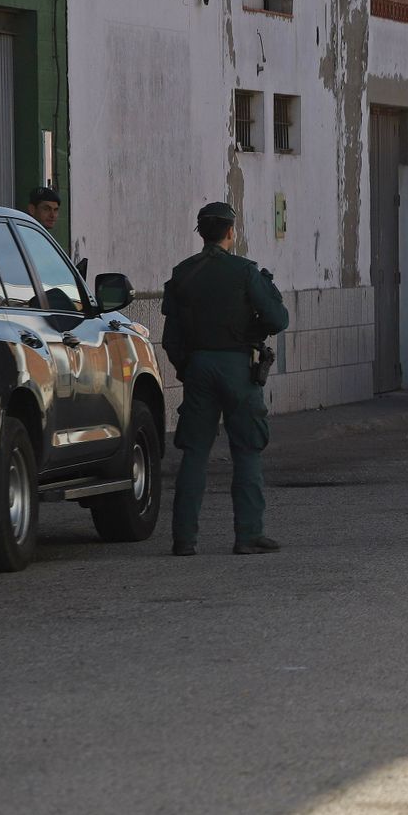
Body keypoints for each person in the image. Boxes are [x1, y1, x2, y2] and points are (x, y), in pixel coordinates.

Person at [161, 202, 290, 557]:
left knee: (194, 453)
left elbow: (171, 338)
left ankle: (184, 539)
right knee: (247, 449)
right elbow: (278, 320)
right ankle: (248, 534)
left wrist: (188, 367)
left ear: (201, 232)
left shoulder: (182, 273)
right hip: (238, 368)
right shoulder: (245, 271)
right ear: (231, 231)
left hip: (198, 366)